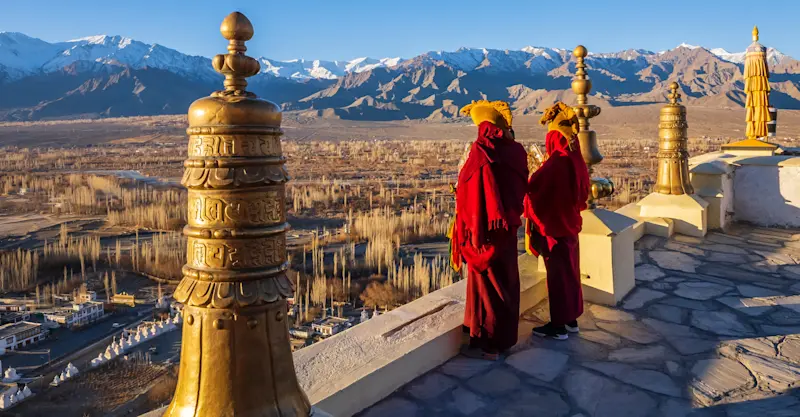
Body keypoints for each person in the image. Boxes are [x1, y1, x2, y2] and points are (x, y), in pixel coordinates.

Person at [450, 100, 528, 360]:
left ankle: (488, 345)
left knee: (487, 288)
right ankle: (504, 338)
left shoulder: (481, 152)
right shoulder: (516, 151)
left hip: (484, 232)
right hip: (507, 227)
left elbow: (470, 190)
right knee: (506, 283)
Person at [524, 102, 590, 340]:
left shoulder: (556, 164)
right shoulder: (575, 160)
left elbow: (534, 191)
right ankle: (571, 320)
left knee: (558, 277)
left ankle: (558, 326)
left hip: (555, 227)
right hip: (570, 224)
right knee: (570, 272)